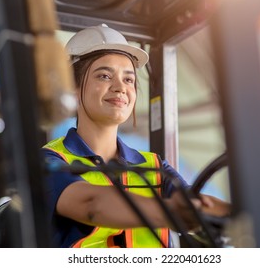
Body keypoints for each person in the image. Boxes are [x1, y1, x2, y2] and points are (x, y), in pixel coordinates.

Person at [42, 24, 230, 248]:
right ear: (73, 87)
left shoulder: (154, 166)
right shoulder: (51, 162)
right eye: (104, 76)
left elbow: (196, 203)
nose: (120, 87)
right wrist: (171, 211)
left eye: (129, 79)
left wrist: (245, 215)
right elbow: (91, 205)